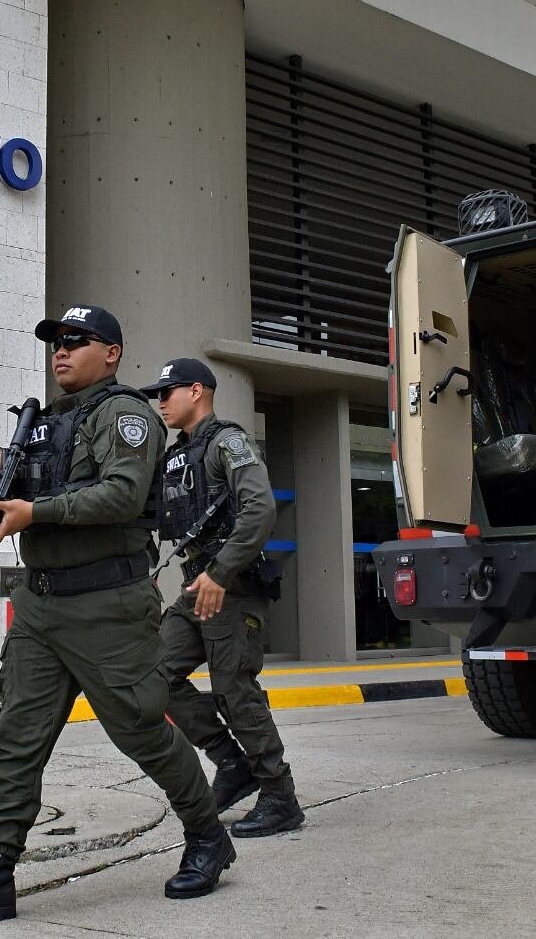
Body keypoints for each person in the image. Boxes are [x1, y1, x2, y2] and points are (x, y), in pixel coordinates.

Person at [0, 307, 235, 923]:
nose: (60, 352)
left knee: (141, 728)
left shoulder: (128, 416)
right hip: (40, 605)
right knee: (17, 738)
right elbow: (30, 485)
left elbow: (119, 494)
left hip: (106, 605)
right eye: (55, 343)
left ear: (111, 352)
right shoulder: (40, 426)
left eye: (75, 341)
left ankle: (206, 836)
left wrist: (35, 513)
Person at [141, 358, 304, 838]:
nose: (161, 401)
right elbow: (155, 519)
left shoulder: (227, 442)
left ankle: (280, 796)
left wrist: (221, 571)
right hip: (197, 587)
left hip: (232, 587)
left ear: (197, 391)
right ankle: (232, 763)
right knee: (155, 674)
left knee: (235, 691)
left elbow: (260, 508)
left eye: (168, 391)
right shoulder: (176, 455)